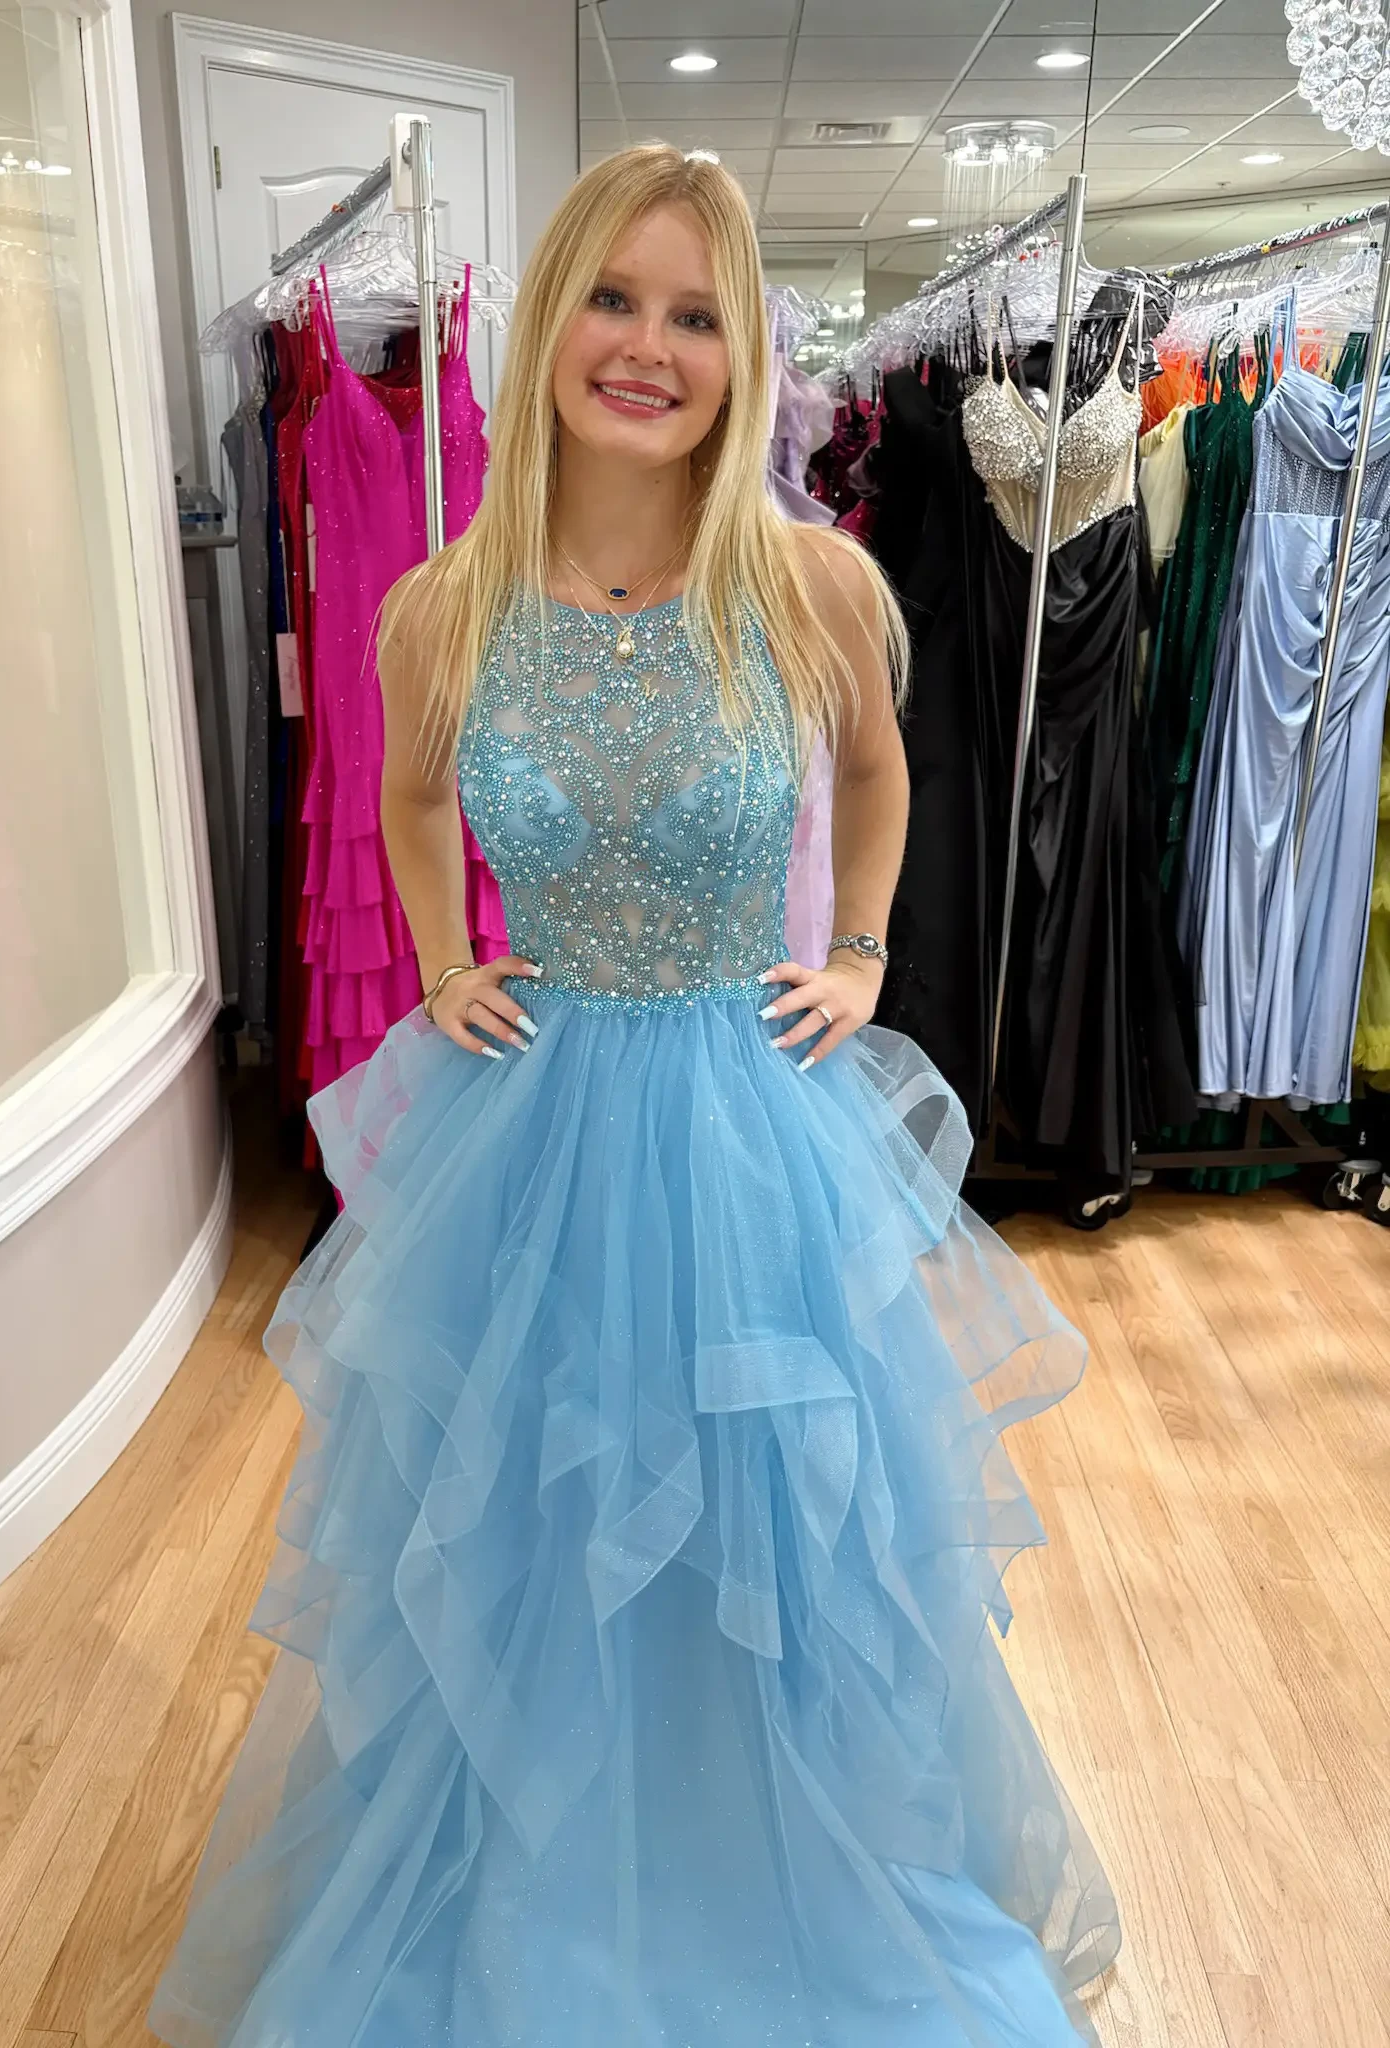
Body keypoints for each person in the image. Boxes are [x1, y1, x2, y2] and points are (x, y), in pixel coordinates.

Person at [149, 144, 1120, 2048]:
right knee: (515, 1517)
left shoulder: (810, 584)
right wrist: (441, 964)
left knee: (766, 1524)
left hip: (747, 1120)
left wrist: (857, 952)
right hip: (538, 1117)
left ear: (745, 353)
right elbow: (412, 799)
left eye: (696, 314)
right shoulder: (444, 609)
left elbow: (879, 777)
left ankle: (756, 1854)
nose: (649, 347)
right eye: (615, 297)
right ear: (546, 318)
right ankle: (538, 1867)